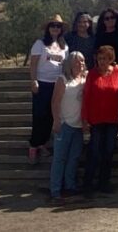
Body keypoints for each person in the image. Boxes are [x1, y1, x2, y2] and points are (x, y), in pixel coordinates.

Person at [81, 45, 118, 196]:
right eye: (99, 58)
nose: (102, 61)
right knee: (94, 152)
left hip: (112, 120)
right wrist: (85, 119)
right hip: (96, 120)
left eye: (105, 58)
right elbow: (86, 97)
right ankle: (87, 184)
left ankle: (104, 183)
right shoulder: (92, 74)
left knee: (108, 152)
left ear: (110, 59)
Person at [28, 15, 67, 165]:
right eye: (53, 26)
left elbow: (64, 65)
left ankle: (42, 143)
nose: (55, 28)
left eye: (58, 26)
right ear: (48, 28)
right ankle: (33, 145)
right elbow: (33, 63)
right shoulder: (40, 44)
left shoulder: (64, 46)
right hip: (42, 83)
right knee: (39, 115)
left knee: (51, 116)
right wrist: (33, 80)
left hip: (56, 84)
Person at [49, 51, 87, 200]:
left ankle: (70, 185)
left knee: (74, 157)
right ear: (70, 64)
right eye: (77, 62)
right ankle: (55, 189)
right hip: (65, 123)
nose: (80, 64)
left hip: (78, 125)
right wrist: (56, 121)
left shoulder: (85, 78)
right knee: (60, 158)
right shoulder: (63, 79)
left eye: (82, 61)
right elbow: (55, 102)